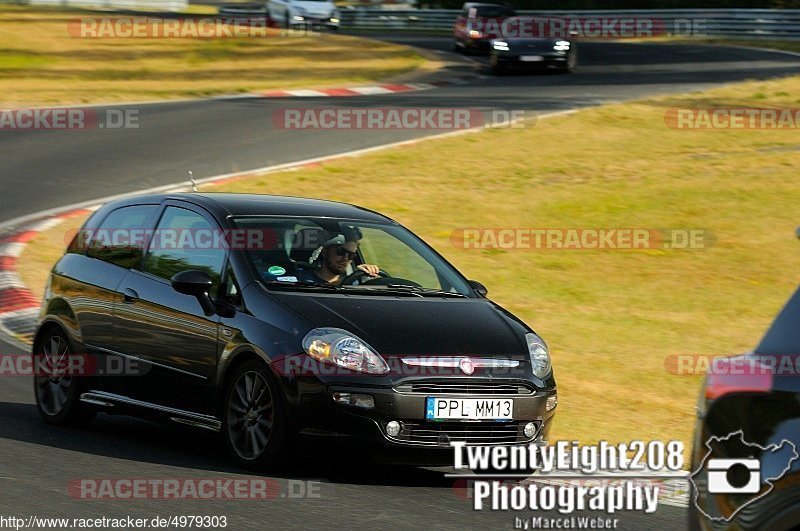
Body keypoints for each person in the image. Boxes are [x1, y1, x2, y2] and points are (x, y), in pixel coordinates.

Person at [295, 228, 379, 286]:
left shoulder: (354, 283)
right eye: (340, 251)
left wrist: (370, 275)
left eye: (351, 255)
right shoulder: (299, 279)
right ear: (325, 251)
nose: (345, 258)